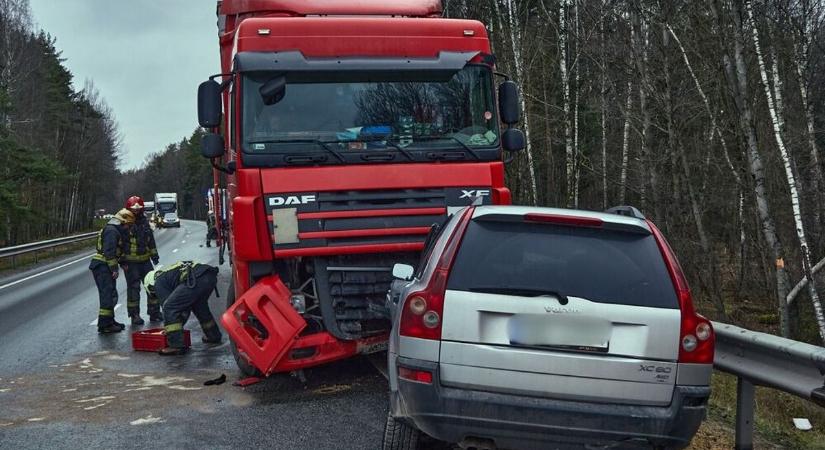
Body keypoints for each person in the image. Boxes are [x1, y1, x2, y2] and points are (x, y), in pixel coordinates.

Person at [143, 261, 222, 355]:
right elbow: (184, 309)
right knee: (199, 306)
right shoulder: (168, 274)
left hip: (195, 278)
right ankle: (213, 335)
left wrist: (171, 332)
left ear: (151, 286)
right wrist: (176, 326)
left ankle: (175, 345)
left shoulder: (158, 282)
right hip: (209, 275)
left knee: (169, 307)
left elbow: (170, 309)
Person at [89, 208, 134, 334]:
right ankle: (104, 325)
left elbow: (117, 250)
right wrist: (114, 268)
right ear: (122, 222)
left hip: (104, 265)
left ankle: (110, 321)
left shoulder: (115, 230)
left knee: (112, 294)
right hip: (103, 266)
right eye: (128, 225)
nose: (128, 228)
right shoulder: (112, 231)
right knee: (107, 295)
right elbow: (109, 252)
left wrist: (123, 263)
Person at [121, 196, 161, 325]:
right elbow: (120, 244)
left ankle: (154, 313)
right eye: (134, 209)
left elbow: (150, 240)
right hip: (131, 263)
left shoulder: (144, 222)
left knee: (152, 286)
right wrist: (123, 262)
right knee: (134, 289)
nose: (136, 212)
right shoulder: (124, 222)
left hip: (145, 261)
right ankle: (135, 315)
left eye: (138, 209)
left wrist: (154, 255)